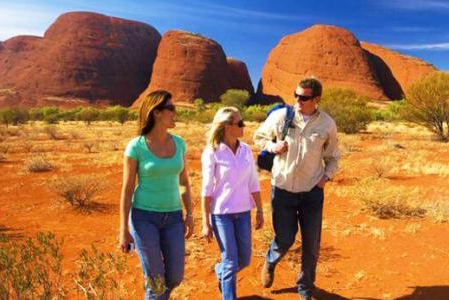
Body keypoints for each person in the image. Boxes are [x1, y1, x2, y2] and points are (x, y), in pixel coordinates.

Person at [253, 77, 340, 300]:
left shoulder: (327, 124)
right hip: (282, 190)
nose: (298, 100)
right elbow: (258, 137)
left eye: (304, 97)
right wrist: (273, 146)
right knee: (284, 239)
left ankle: (305, 288)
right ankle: (270, 261)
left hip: (312, 192)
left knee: (311, 244)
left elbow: (333, 158)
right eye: (296, 95)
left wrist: (325, 178)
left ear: (316, 99)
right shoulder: (282, 116)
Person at [118, 90, 194, 300]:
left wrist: (190, 214)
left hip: (173, 217)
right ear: (156, 112)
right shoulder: (136, 146)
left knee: (175, 277)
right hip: (144, 218)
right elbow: (127, 189)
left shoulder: (179, 143)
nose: (175, 113)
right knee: (156, 281)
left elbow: (185, 182)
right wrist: (123, 229)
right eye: (171, 109)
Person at [201, 107, 264, 300]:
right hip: (221, 214)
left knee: (243, 260)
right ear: (228, 127)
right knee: (230, 261)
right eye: (240, 123)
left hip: (243, 212)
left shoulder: (246, 150)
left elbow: (253, 182)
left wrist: (260, 210)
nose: (244, 126)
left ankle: (220, 272)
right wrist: (205, 222)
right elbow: (206, 189)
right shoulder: (213, 151)